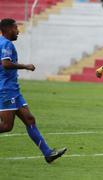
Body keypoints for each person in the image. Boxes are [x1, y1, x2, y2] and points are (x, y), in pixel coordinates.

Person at [0, 18, 67, 163]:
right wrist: (26, 66)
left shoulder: (3, 43)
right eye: (15, 28)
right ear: (7, 29)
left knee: (30, 119)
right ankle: (48, 152)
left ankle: (48, 153)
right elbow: (5, 64)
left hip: (13, 90)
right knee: (6, 126)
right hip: (6, 90)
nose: (18, 31)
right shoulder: (6, 44)